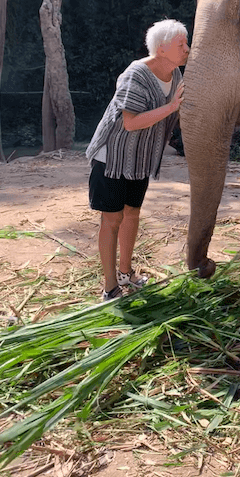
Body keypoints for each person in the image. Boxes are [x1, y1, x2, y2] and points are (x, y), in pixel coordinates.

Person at [86, 19, 189, 300]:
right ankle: (109, 288)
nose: (187, 49)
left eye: (186, 43)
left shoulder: (176, 75)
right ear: (163, 48)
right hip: (113, 157)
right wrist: (171, 107)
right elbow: (130, 123)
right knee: (112, 218)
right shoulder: (137, 74)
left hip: (139, 160)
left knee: (132, 213)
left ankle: (126, 273)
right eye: (181, 44)